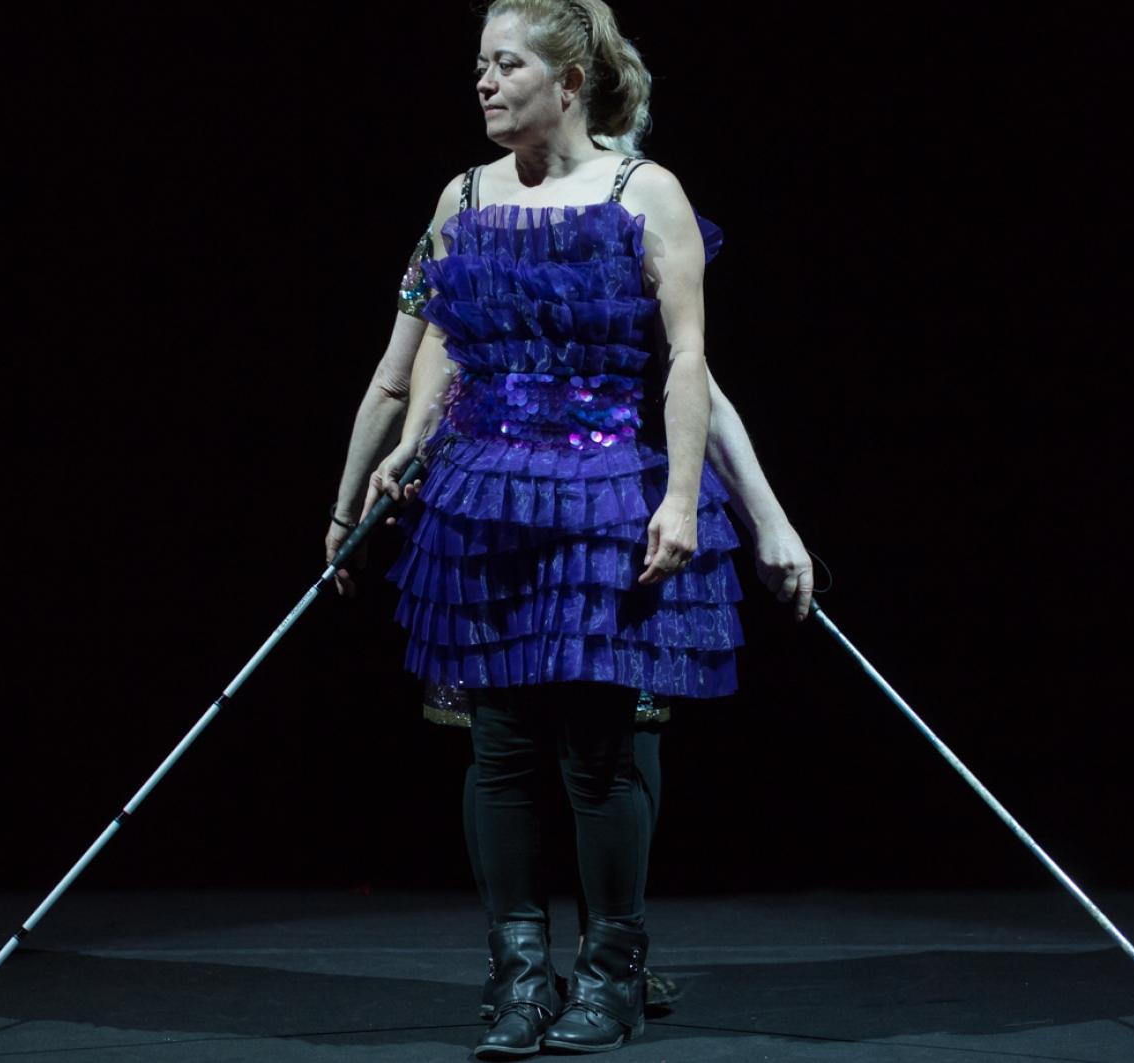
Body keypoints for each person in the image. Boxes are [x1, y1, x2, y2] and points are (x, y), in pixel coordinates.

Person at [360, 1, 784, 1056]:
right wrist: (403, 451)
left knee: (599, 750)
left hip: (603, 502)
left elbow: (688, 361)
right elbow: (442, 350)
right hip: (485, 505)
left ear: (568, 82)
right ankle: (517, 975)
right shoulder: (464, 196)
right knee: (499, 749)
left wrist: (683, 497)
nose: (483, 81)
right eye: (479, 64)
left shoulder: (646, 192)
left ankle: (612, 971)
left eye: (505, 64)